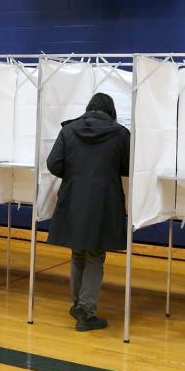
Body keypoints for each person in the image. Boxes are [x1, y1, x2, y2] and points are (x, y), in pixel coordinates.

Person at [47, 93, 130, 332]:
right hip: (104, 200)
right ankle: (86, 311)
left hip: (73, 198)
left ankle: (77, 305)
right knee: (95, 254)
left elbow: (53, 163)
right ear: (110, 111)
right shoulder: (120, 133)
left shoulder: (68, 130)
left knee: (78, 253)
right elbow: (128, 166)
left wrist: (75, 175)